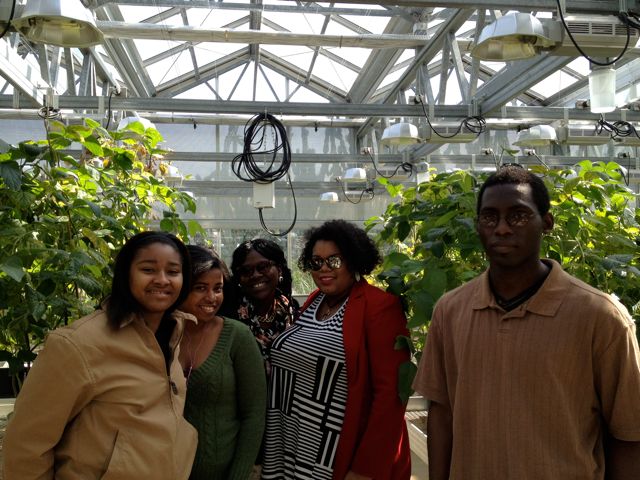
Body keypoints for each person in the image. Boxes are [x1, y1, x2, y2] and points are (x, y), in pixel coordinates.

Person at [413, 165, 640, 480]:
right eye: (490, 217)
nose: (502, 229)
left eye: (518, 216)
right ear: (478, 225)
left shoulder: (599, 316)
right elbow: (442, 414)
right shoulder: (451, 312)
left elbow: (629, 433)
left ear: (546, 223)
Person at [3, 231, 198, 480]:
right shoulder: (78, 344)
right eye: (148, 270)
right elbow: (26, 444)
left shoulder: (173, 334)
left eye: (173, 272)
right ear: (125, 274)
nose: (162, 280)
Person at [261, 219, 411, 480]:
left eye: (334, 261)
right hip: (292, 440)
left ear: (353, 260)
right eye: (316, 262)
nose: (324, 269)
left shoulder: (379, 306)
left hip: (332, 450)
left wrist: (366, 468)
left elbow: (391, 396)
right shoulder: (314, 301)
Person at [179, 245, 266, 480]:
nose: (212, 297)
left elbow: (254, 414)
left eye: (218, 288)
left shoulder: (237, 336)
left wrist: (238, 475)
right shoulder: (160, 334)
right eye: (200, 288)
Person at [221, 238, 298, 374]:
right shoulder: (228, 315)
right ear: (239, 277)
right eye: (246, 270)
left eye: (263, 267)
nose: (255, 275)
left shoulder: (292, 309)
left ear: (279, 269)